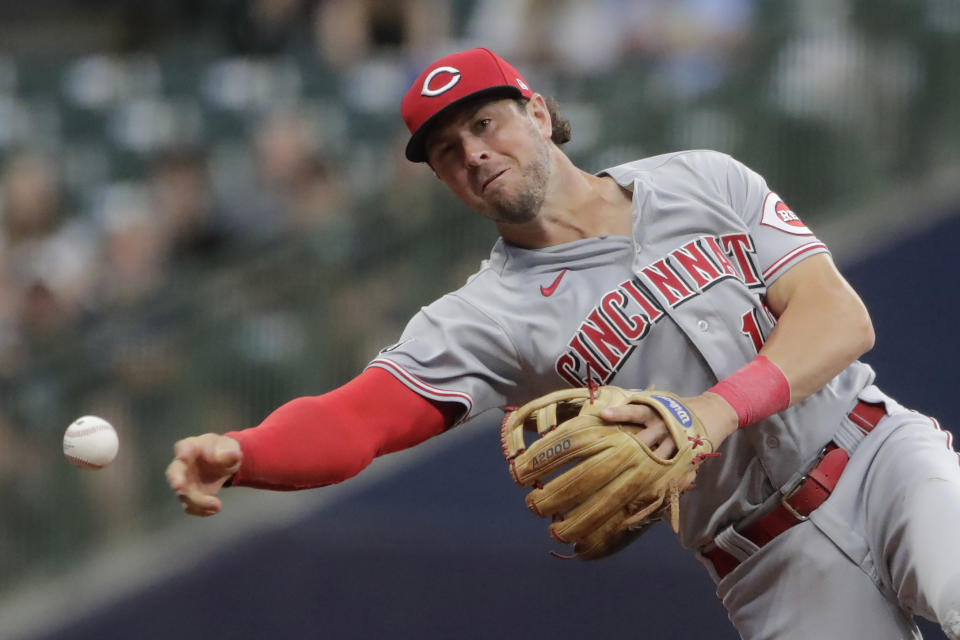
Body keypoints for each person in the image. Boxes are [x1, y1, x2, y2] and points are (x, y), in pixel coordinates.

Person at [166, 48, 960, 639]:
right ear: (444, 181)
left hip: (877, 457)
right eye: (448, 150)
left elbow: (839, 317)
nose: (474, 151)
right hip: (766, 561)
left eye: (485, 123)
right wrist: (247, 452)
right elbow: (356, 421)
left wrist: (711, 414)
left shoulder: (701, 178)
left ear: (537, 112)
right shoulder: (485, 316)